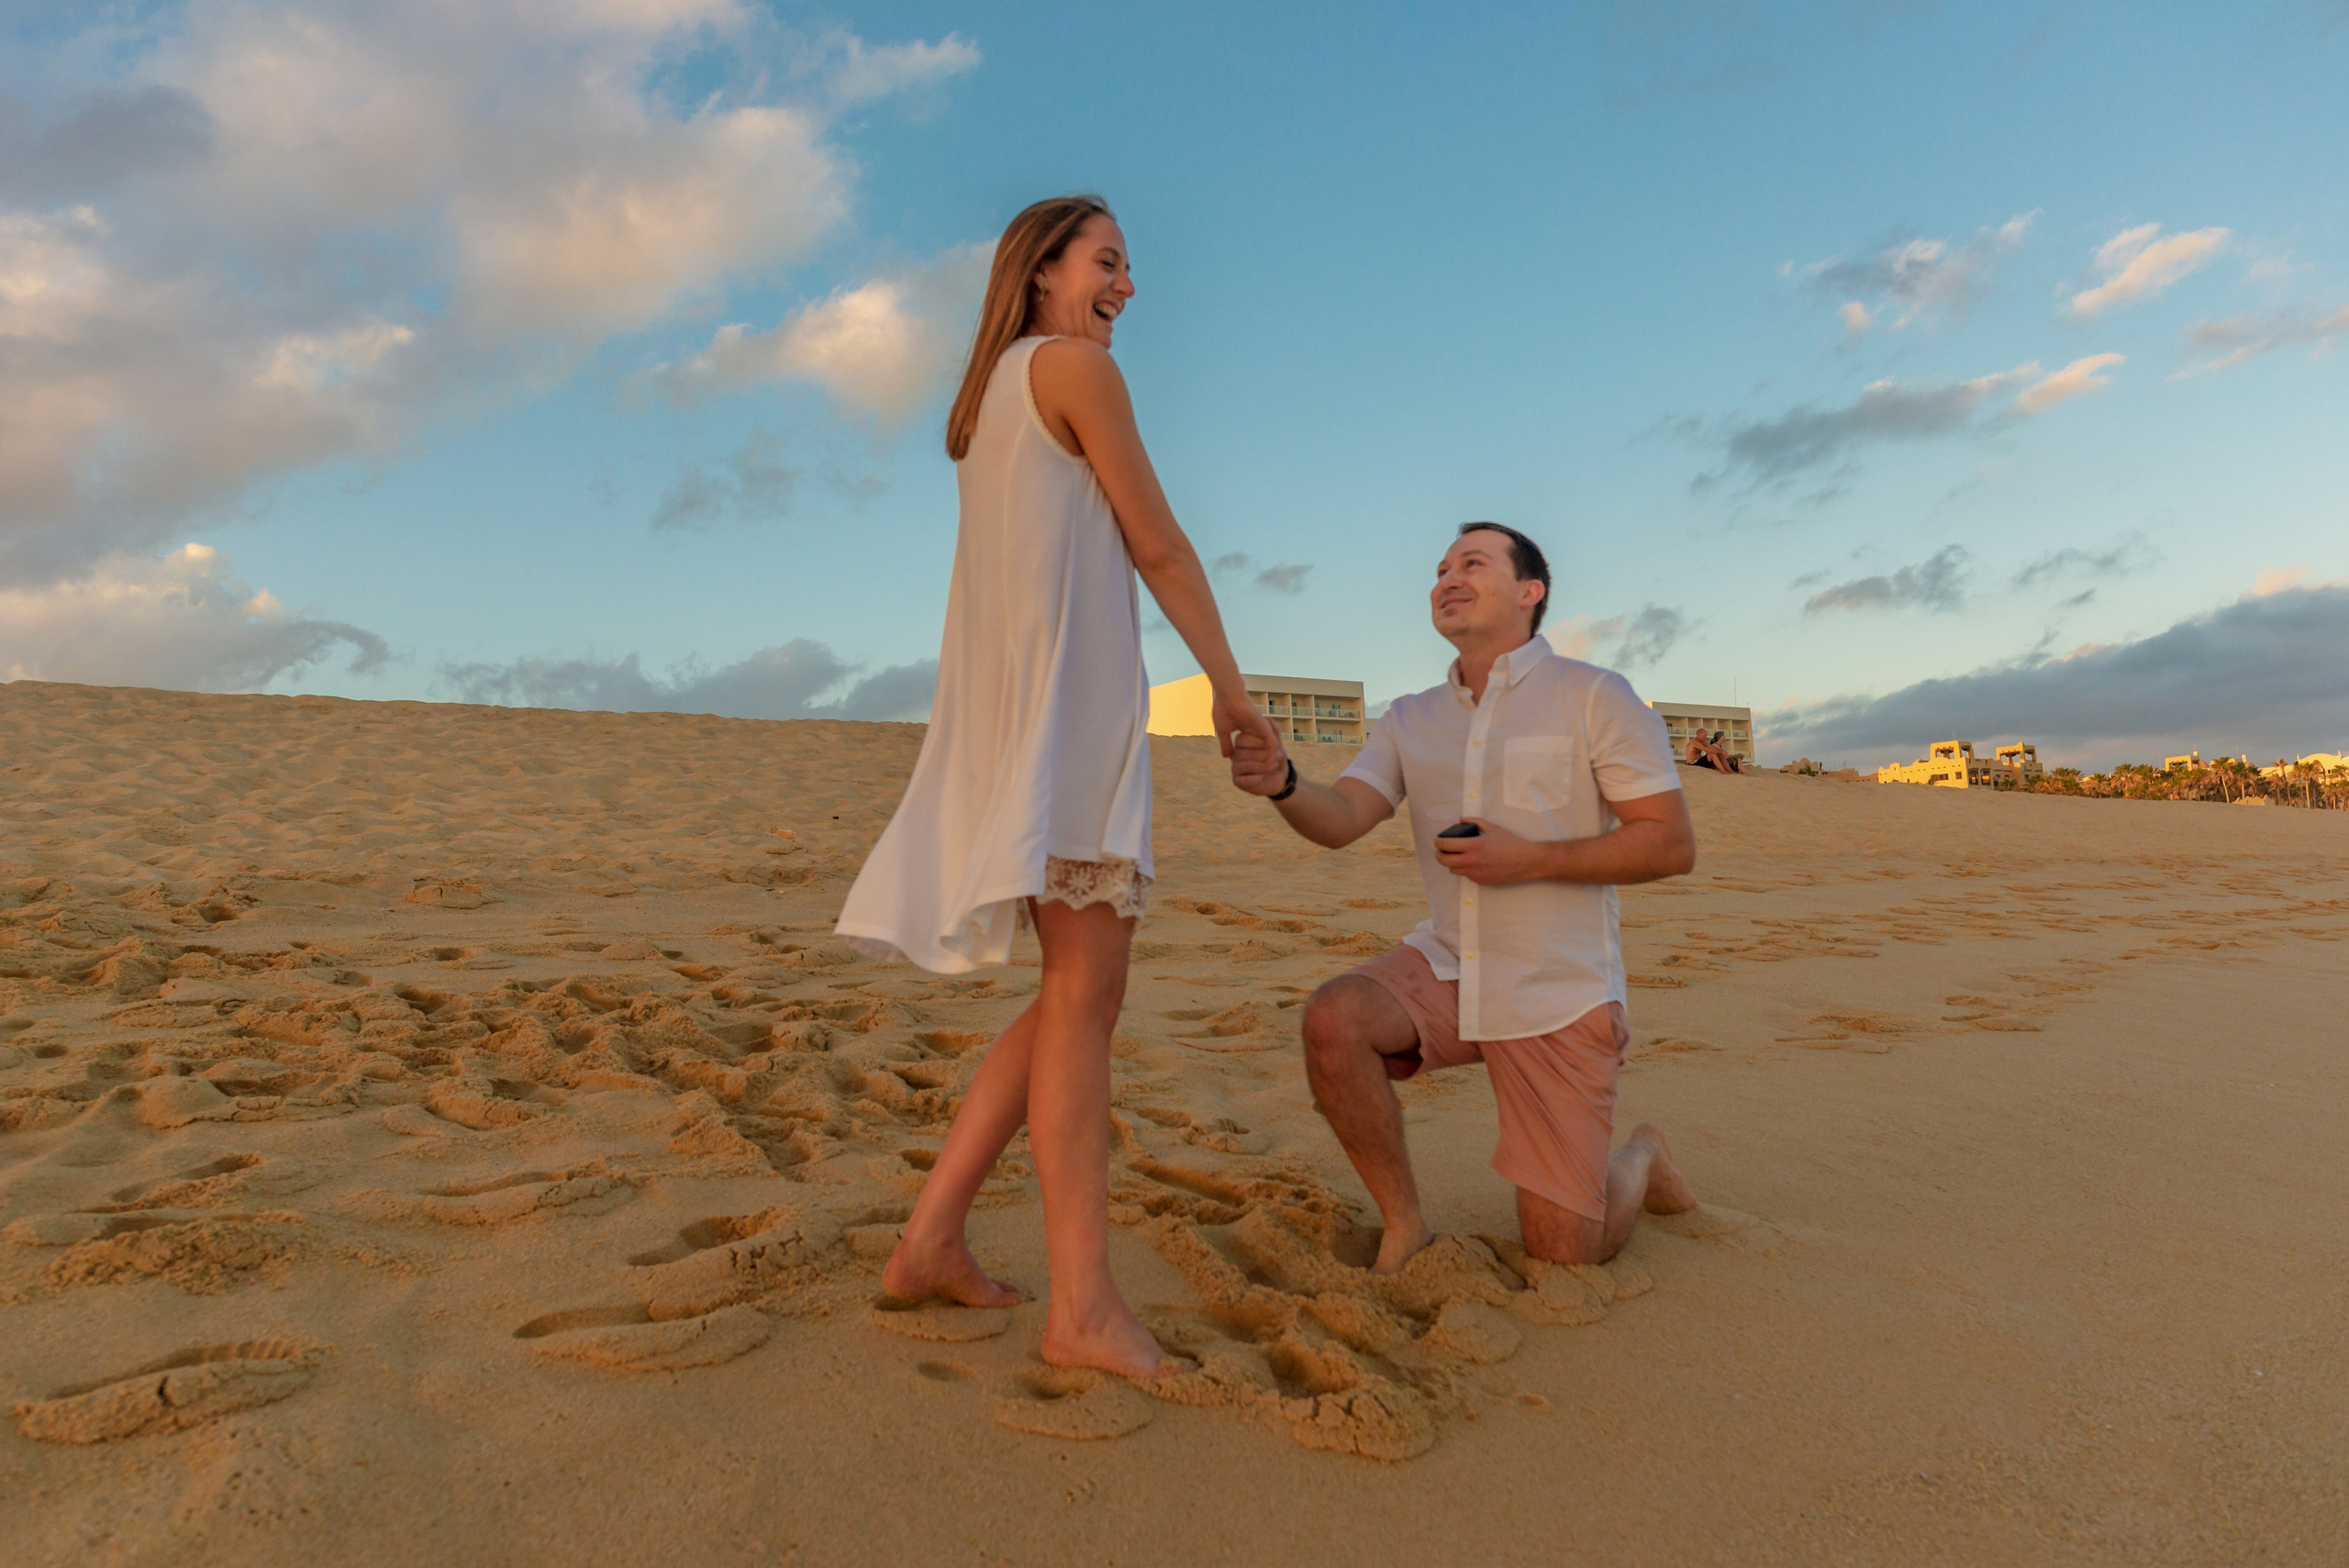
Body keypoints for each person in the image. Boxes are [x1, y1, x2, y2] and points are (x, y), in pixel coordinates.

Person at [835, 195, 1276, 1377]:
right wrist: (1232, 689)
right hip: (1063, 718)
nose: (1127, 285)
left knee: (1073, 993)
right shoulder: (1074, 368)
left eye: (1130, 267)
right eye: (1109, 261)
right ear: (1041, 270)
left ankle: (930, 1237)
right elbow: (1160, 542)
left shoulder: (985, 401)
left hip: (1007, 715)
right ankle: (1080, 1305)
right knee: (1085, 994)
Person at [1230, 523, 1699, 1273]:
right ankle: (1404, 1224)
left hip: (1559, 988)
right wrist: (1284, 782)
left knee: (1565, 1253)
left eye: (1472, 564)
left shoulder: (1595, 696)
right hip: (1452, 963)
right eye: (1441, 568)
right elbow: (1345, 816)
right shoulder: (1411, 716)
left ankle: (1642, 1155)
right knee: (1335, 1017)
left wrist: (1528, 858)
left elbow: (1670, 842)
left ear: (1528, 591)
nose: (1447, 577)